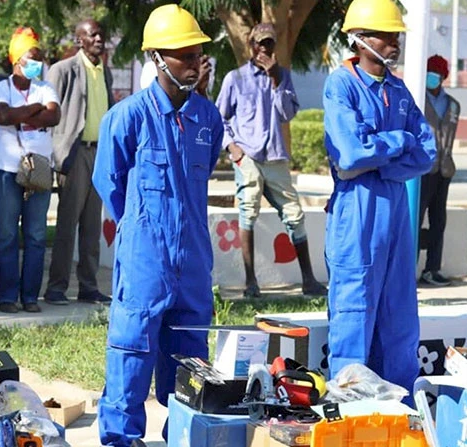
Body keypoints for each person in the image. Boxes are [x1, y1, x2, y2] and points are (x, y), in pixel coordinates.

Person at [92, 5, 223, 446]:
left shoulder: (208, 118)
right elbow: (108, 184)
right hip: (146, 260)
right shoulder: (128, 117)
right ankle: (120, 438)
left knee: (191, 360)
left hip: (193, 262)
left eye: (198, 53)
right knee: (131, 353)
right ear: (157, 59)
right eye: (184, 55)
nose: (195, 63)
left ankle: (181, 436)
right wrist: (142, 231)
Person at [322, 0, 436, 402]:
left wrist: (380, 158)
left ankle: (400, 413)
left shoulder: (399, 90)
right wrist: (397, 143)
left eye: (396, 35)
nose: (394, 42)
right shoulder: (341, 85)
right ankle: (351, 416)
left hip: (393, 212)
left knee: (399, 320)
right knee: (354, 317)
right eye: (386, 35)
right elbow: (349, 155)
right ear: (360, 39)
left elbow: (426, 152)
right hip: (357, 214)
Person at [215, 23, 327, 299]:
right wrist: (233, 148)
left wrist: (276, 80)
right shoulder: (235, 78)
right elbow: (219, 117)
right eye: (260, 43)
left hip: (275, 156)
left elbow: (287, 113)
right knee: (248, 212)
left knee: (294, 214)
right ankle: (251, 282)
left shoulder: (283, 76)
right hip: (249, 156)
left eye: (269, 44)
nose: (265, 49)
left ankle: (309, 279)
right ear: (251, 46)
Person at [0, 27, 61, 314]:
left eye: (39, 59)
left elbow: (53, 115)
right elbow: (1, 115)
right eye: (31, 58)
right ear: (16, 60)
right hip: (5, 169)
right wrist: (34, 110)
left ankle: (30, 296)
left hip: (39, 170)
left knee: (36, 235)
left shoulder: (46, 87)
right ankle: (7, 296)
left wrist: (18, 114)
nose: (37, 64)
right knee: (5, 234)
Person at [43, 19, 115, 306]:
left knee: (91, 227)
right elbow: (49, 114)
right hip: (74, 153)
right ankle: (56, 288)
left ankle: (88, 287)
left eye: (101, 34)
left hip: (99, 154)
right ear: (80, 39)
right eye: (92, 34)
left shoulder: (105, 71)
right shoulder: (63, 69)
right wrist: (57, 155)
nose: (99, 39)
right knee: (66, 225)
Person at [418, 55, 460, 287]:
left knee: (438, 221)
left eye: (435, 73)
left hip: (443, 170)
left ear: (443, 77)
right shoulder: (417, 99)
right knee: (415, 219)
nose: (431, 77)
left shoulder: (453, 105)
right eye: (429, 72)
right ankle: (408, 268)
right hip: (422, 169)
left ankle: (432, 269)